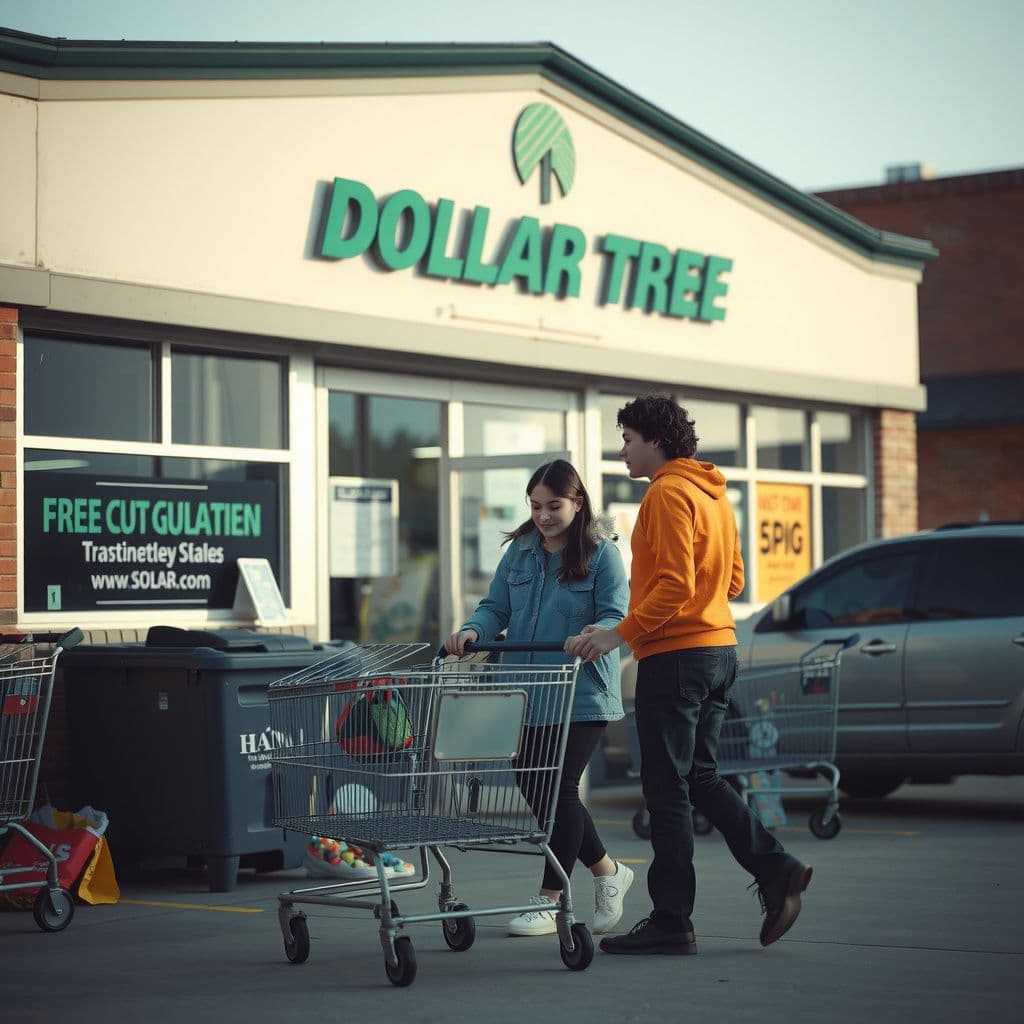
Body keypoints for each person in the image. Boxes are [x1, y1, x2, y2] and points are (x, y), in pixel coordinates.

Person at [566, 394, 812, 955]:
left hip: (676, 659)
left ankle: (673, 920)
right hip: (718, 652)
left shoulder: (666, 493)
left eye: (628, 439)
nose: (622, 450)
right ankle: (777, 868)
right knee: (699, 776)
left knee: (667, 789)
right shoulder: (713, 494)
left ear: (656, 439)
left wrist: (619, 633)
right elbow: (733, 582)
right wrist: (691, 610)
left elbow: (675, 583)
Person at [445, 459, 634, 937]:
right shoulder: (521, 552)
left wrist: (597, 633)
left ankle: (549, 901)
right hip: (525, 694)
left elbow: (617, 615)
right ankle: (609, 872)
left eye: (554, 506)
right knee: (537, 788)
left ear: (578, 502)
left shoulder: (601, 554)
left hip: (581, 691)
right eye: (536, 506)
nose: (544, 515)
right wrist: (472, 629)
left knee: (560, 790)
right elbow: (495, 607)